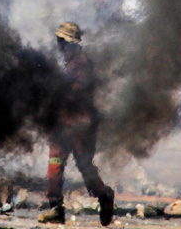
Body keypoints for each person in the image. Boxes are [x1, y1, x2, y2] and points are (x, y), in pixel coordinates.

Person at [38, 22, 115, 226]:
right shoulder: (69, 63)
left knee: (84, 166)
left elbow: (78, 91)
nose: (60, 45)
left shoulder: (82, 64)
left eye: (62, 41)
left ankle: (104, 197)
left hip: (81, 124)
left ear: (71, 43)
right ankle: (55, 208)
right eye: (59, 41)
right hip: (64, 123)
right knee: (55, 164)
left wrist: (58, 89)